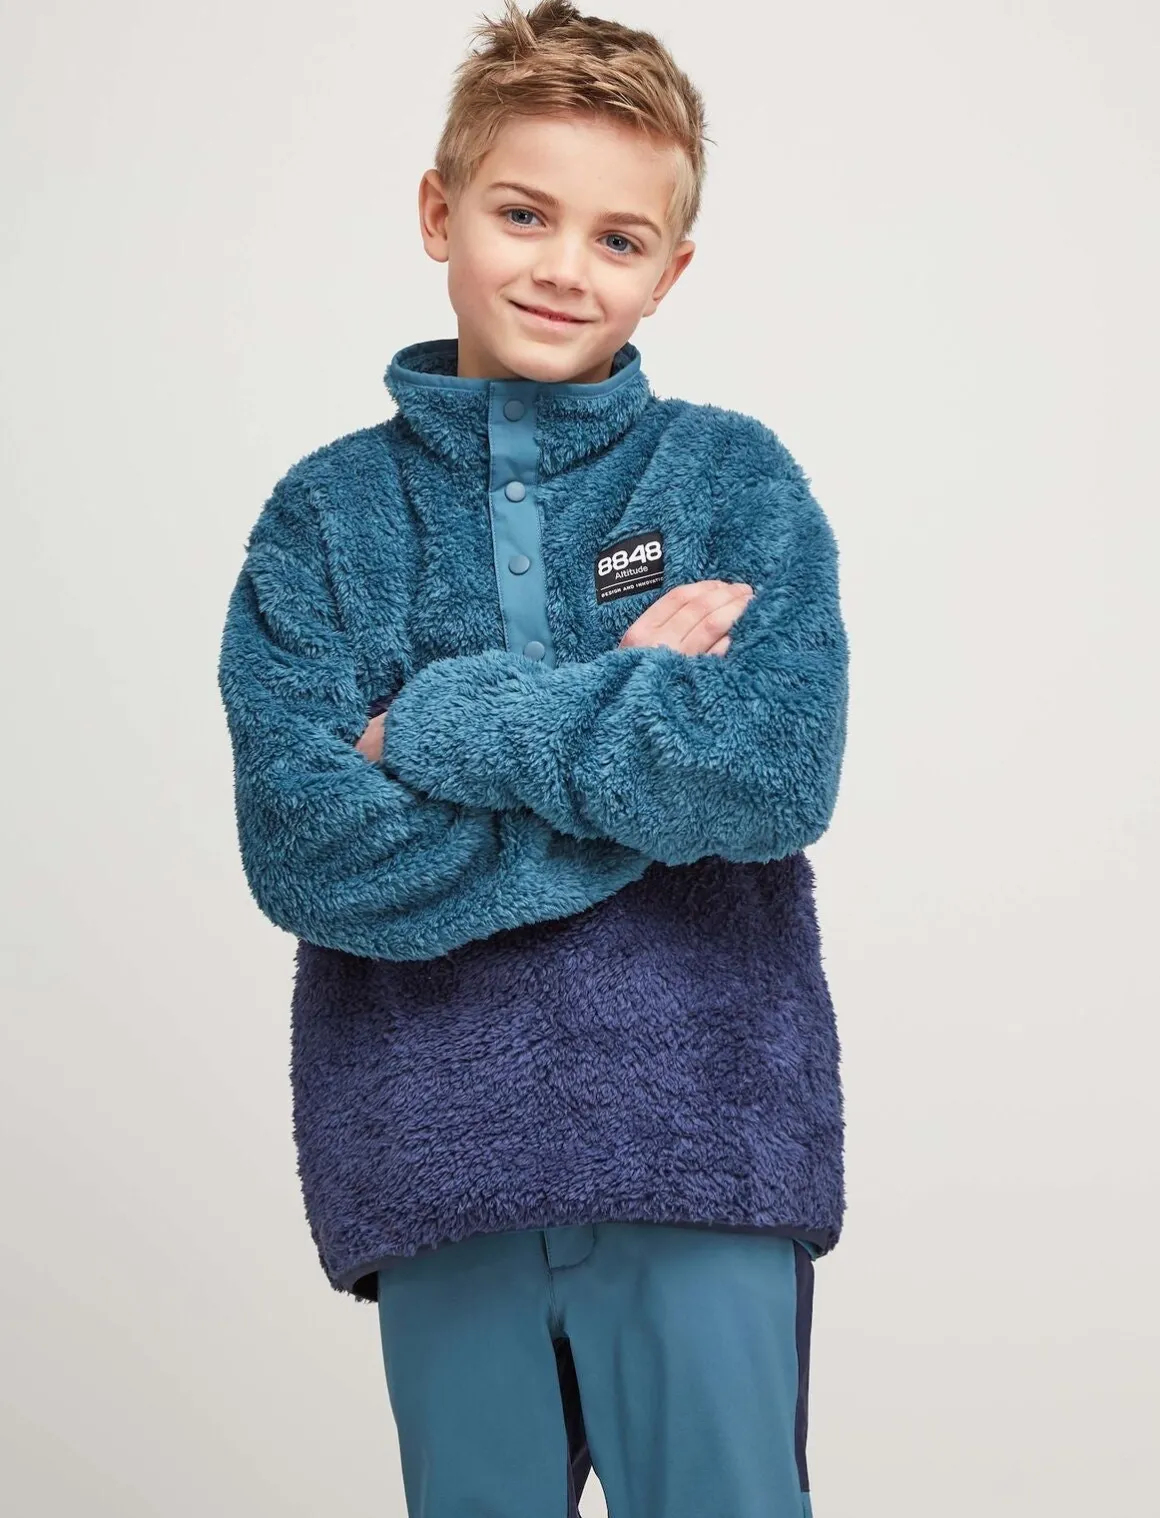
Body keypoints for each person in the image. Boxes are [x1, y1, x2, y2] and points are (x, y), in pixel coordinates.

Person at [217, 2, 849, 1512]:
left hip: (701, 1142)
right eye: (523, 213)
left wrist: (431, 727)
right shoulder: (325, 519)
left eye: (618, 238)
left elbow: (770, 774)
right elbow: (307, 848)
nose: (567, 266)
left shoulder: (730, 479)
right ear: (439, 214)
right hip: (438, 1159)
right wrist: (632, 719)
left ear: (669, 271)